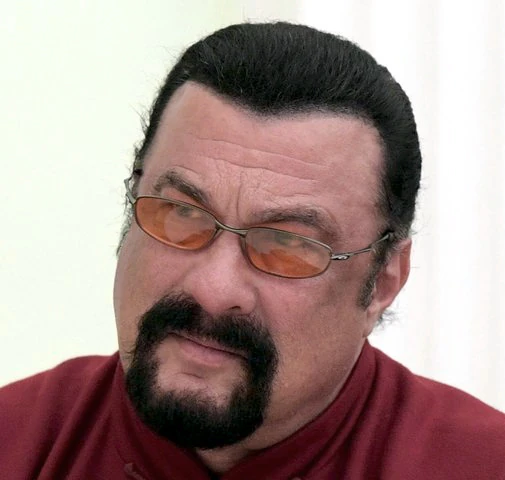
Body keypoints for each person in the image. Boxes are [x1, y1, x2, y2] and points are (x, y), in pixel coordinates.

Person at [1, 21, 504, 480]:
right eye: (181, 214)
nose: (213, 288)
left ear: (384, 281)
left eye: (287, 243)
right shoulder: (17, 441)